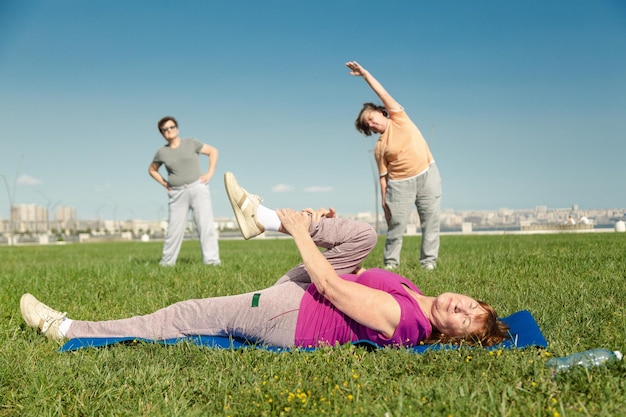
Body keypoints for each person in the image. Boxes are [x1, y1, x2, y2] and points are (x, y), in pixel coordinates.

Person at [20, 173, 509, 349]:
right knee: (361, 234)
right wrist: (326, 232)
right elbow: (355, 274)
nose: (461, 307)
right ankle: (264, 218)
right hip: (309, 288)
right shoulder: (414, 296)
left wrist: (303, 233)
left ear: (450, 336)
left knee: (183, 314)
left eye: (466, 320)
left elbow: (336, 290)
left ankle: (67, 329)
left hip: (290, 314)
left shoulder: (402, 317)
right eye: (472, 305)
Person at [346, 61, 442, 270]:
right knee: (396, 227)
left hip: (428, 175)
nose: (371, 124)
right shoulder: (380, 147)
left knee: (431, 222)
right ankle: (391, 264)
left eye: (371, 118)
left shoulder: (399, 117)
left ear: (381, 112)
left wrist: (365, 74)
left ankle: (429, 263)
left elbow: (382, 92)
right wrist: (384, 203)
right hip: (399, 186)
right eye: (368, 125)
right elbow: (383, 177)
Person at [148, 116, 221, 266]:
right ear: (162, 133)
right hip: (177, 193)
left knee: (205, 226)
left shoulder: (191, 143)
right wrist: (164, 184)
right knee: (174, 230)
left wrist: (210, 173)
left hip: (198, 188)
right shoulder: (162, 152)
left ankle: (212, 261)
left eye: (172, 127)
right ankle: (167, 263)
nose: (169, 130)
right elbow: (152, 170)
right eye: (165, 129)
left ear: (177, 128)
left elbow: (213, 151)